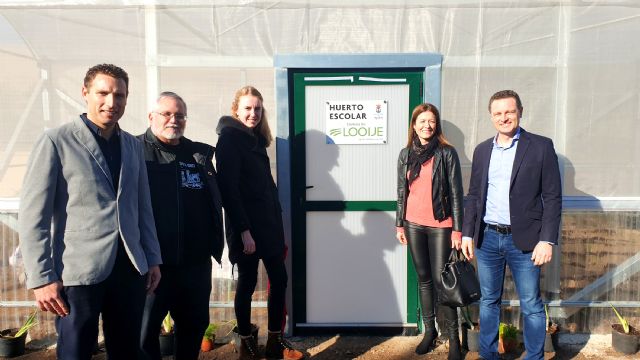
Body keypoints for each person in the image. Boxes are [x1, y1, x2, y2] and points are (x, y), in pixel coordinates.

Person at [18, 63, 162, 359]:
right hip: (78, 272)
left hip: (129, 268)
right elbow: (34, 216)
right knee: (75, 352)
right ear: (85, 93)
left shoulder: (133, 146)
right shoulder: (56, 141)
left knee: (127, 351)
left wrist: (152, 258)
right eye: (103, 93)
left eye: (119, 95)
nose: (112, 102)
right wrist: (42, 277)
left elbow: (143, 207)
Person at [461, 90, 562, 360]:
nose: (504, 117)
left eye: (509, 111)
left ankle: (534, 357)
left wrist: (547, 239)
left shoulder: (540, 147)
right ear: (491, 116)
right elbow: (473, 196)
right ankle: (488, 355)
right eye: (498, 113)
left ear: (520, 111)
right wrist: (468, 233)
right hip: (487, 238)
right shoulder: (482, 150)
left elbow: (552, 197)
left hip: (527, 241)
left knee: (530, 304)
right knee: (488, 302)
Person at [215, 86, 303, 360]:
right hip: (247, 228)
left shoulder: (256, 139)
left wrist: (276, 222)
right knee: (248, 282)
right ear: (236, 111)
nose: (253, 113)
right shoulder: (230, 139)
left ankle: (275, 342)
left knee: (279, 279)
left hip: (268, 226)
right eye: (248, 108)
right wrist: (244, 231)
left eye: (258, 109)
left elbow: (265, 186)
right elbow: (229, 190)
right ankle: (246, 344)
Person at [138, 92, 224, 359]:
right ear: (151, 116)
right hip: (153, 265)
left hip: (194, 264)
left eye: (180, 115)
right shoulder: (134, 151)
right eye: (167, 113)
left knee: (194, 327)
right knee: (143, 333)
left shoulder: (197, 154)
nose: (174, 120)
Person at [395, 103, 464, 360]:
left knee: (442, 281)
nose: (427, 125)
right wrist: (399, 223)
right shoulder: (405, 155)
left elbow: (457, 193)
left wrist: (457, 230)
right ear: (414, 125)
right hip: (413, 224)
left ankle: (454, 340)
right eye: (422, 121)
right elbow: (402, 191)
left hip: (441, 226)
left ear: (437, 125)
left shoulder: (447, 153)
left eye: (431, 121)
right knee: (424, 279)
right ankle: (429, 332)